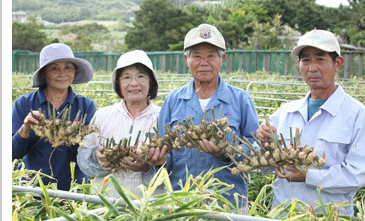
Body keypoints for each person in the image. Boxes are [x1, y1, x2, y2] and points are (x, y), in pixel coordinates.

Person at [256, 29, 365, 216]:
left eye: (320, 59)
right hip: (282, 214)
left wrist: (310, 177)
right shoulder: (285, 111)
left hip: (328, 216)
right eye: (306, 60)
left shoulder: (357, 115)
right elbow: (265, 164)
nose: (312, 67)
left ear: (337, 64)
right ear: (299, 64)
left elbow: (360, 172)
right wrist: (264, 142)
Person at [146, 24, 259, 209]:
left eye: (211, 56)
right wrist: (159, 160)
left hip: (228, 204)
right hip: (182, 202)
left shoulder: (240, 99)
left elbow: (256, 150)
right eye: (197, 56)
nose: (204, 62)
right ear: (186, 59)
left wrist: (227, 151)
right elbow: (163, 150)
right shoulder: (174, 100)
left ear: (222, 59)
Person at [77, 50, 161, 198]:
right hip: (105, 203)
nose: (134, 83)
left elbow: (175, 165)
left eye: (141, 76)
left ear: (151, 82)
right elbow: (83, 156)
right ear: (119, 83)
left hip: (149, 205)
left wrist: (148, 167)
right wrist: (97, 157)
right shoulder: (103, 115)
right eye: (127, 77)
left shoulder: (163, 116)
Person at [12, 43, 96, 191]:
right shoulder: (24, 104)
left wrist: (76, 135)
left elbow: (90, 154)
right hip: (32, 190)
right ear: (44, 73)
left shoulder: (85, 106)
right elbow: (13, 154)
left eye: (68, 67)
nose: (62, 73)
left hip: (74, 189)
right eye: (54, 68)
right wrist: (24, 129)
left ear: (74, 71)